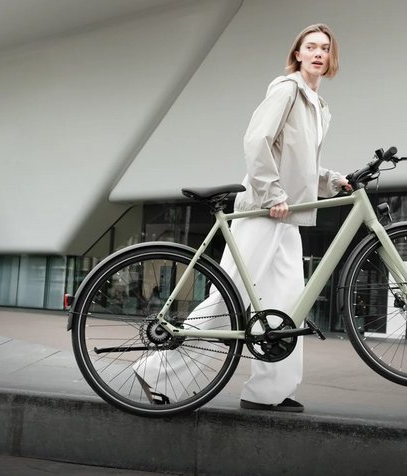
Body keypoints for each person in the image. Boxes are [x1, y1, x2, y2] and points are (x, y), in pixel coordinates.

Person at [133, 23, 348, 413]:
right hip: (265, 210)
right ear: (297, 54)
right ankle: (156, 373)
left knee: (287, 305)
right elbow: (257, 140)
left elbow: (299, 163)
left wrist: (333, 181)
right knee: (229, 297)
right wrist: (271, 193)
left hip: (288, 217)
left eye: (324, 48)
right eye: (310, 47)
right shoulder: (286, 89)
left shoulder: (318, 106)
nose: (318, 53)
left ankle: (268, 391)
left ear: (331, 57)